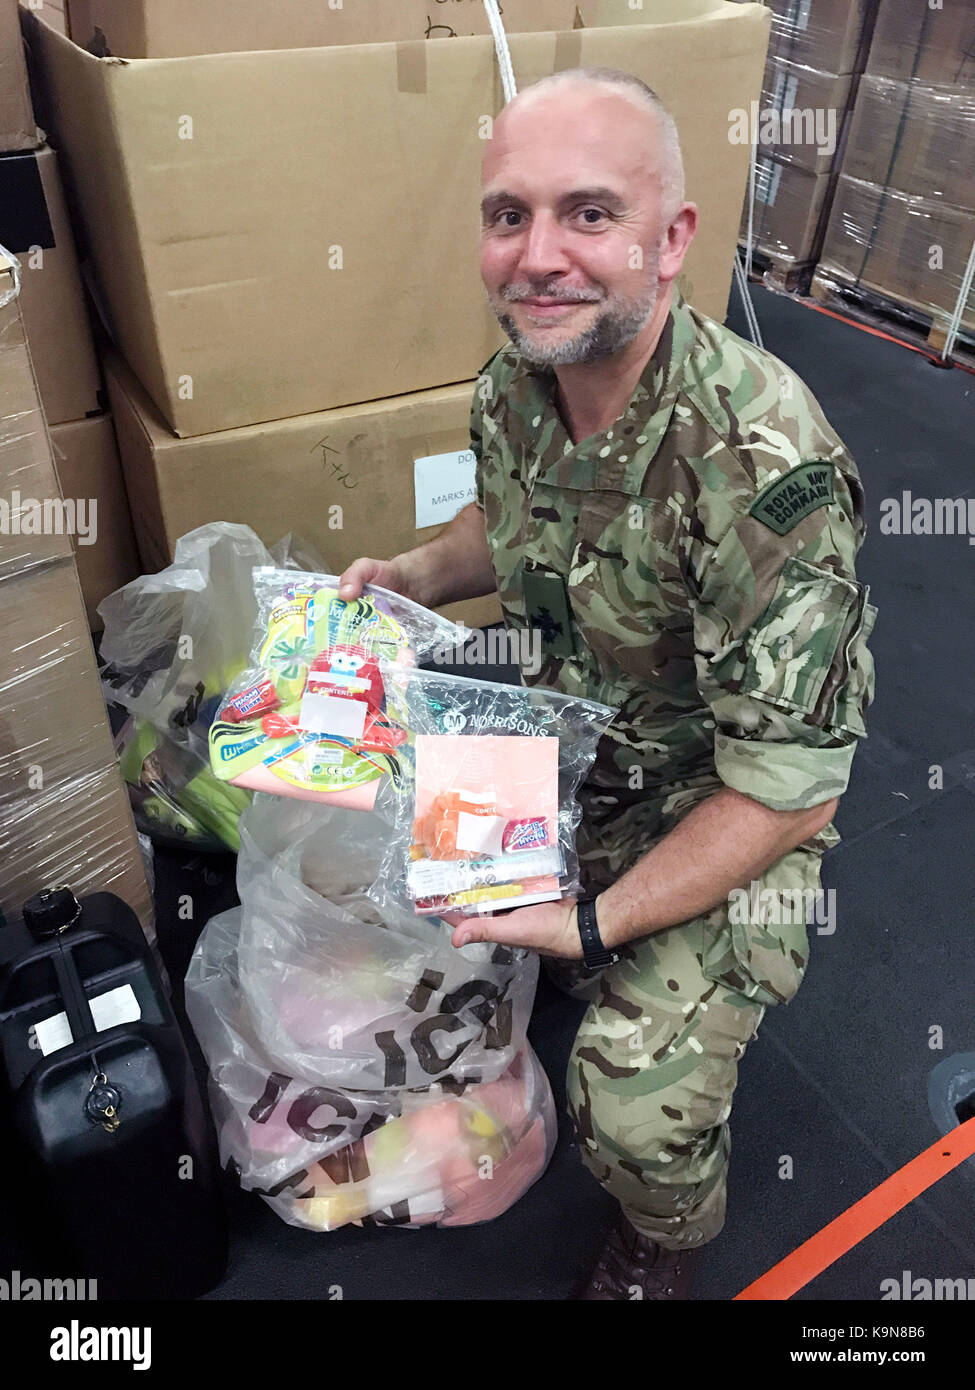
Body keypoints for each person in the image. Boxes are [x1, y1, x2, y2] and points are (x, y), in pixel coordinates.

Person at [338, 68, 876, 1300]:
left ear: (671, 238)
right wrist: (415, 569)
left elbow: (787, 791)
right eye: (506, 215)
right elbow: (513, 522)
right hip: (569, 733)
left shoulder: (765, 473)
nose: (538, 256)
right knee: (382, 885)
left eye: (587, 213)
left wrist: (592, 922)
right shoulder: (514, 389)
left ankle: (660, 1240)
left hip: (718, 803)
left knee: (626, 1105)